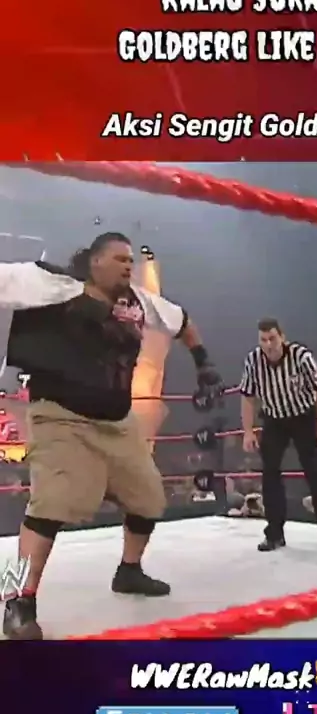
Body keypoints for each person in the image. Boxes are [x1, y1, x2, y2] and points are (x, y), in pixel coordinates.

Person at [0, 232, 222, 640]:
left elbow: (182, 320)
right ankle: (18, 601)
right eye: (119, 258)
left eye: (131, 259)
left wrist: (203, 362)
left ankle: (129, 571)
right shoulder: (52, 283)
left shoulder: (138, 302)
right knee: (52, 502)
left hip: (117, 422)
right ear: (95, 261)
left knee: (148, 499)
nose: (128, 265)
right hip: (61, 415)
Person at [240, 317, 317, 552]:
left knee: (316, 472)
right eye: (263, 340)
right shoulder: (253, 360)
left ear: (282, 337)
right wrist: (247, 431)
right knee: (270, 474)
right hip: (274, 419)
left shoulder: (301, 356)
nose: (268, 345)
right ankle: (274, 534)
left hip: (302, 417)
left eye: (272, 338)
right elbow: (248, 397)